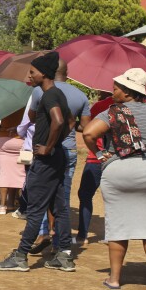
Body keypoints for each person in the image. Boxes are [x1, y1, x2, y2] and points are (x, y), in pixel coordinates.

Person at [0, 51, 75, 272]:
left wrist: (48, 146)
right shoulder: (58, 94)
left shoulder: (48, 95)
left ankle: (20, 256)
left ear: (45, 73)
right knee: (60, 208)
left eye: (33, 72)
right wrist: (56, 143)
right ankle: (65, 256)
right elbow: (70, 120)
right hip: (57, 157)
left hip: (46, 159)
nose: (29, 76)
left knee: (36, 208)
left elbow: (59, 120)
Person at [83, 68, 146, 289]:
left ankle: (114, 279)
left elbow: (89, 133)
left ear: (129, 92)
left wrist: (101, 154)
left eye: (117, 88)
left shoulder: (113, 112)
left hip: (120, 171)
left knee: (119, 226)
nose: (113, 91)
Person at [29, 59, 91, 251]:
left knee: (40, 195)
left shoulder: (42, 91)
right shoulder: (80, 95)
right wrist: (67, 129)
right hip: (69, 148)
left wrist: (49, 144)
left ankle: (43, 233)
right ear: (67, 72)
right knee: (62, 195)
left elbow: (32, 117)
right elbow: (83, 126)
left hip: (46, 149)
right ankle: (60, 244)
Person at [75, 91, 113, 244]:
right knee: (112, 198)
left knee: (85, 195)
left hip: (96, 157)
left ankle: (82, 236)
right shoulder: (128, 108)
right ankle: (112, 236)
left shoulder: (100, 105)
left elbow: (87, 128)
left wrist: (72, 122)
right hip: (115, 158)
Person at [0, 109, 26, 215]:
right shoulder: (25, 105)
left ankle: (2, 205)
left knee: (5, 174)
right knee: (20, 175)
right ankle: (19, 204)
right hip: (20, 139)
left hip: (3, 139)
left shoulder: (4, 105)